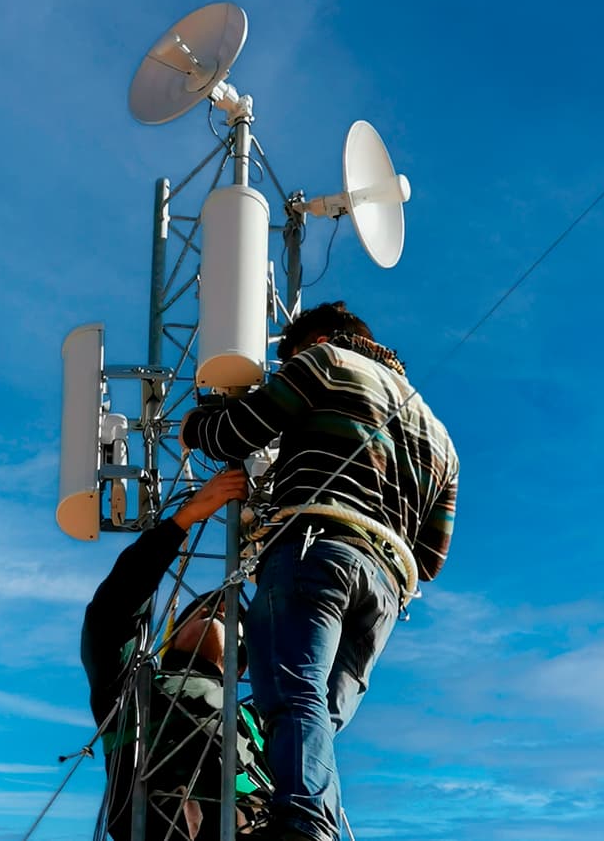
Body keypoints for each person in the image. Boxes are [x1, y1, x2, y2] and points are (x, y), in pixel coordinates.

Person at [180, 302, 460, 841]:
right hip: (386, 588)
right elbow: (432, 559)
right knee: (318, 717)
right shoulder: (441, 437)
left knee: (292, 696)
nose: (289, 363)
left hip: (318, 549)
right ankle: (301, 817)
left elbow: (237, 433)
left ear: (322, 337)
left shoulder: (325, 360)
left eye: (289, 356)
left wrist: (196, 426)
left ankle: (304, 828)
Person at [81, 469, 273, 841]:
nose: (221, 610)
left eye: (232, 619)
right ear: (171, 638)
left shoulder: (261, 718)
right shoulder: (131, 691)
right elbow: (109, 614)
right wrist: (185, 518)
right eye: (203, 610)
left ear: (243, 661)